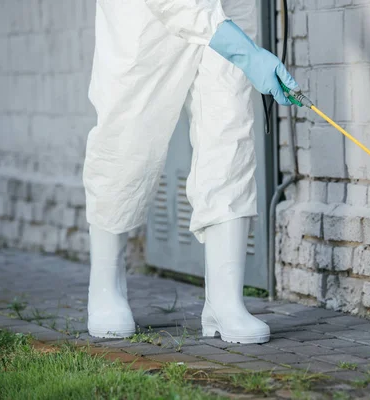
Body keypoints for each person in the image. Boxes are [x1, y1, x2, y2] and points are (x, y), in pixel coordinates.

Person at [83, 0, 298, 344]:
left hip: (229, 6)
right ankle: (105, 287)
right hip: (144, 13)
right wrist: (245, 51)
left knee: (229, 134)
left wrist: (241, 49)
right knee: (126, 135)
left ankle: (225, 303)